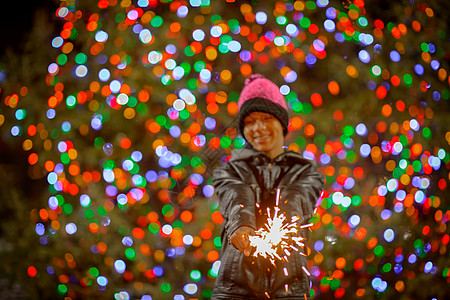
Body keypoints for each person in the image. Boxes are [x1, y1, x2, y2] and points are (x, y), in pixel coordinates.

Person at [211, 74, 324, 299]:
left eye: (265, 118)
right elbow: (235, 193)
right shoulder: (229, 170)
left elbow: (299, 195)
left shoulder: (306, 171)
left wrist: (281, 226)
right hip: (235, 290)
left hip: (289, 290)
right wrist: (242, 223)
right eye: (250, 122)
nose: (258, 128)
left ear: (281, 123)